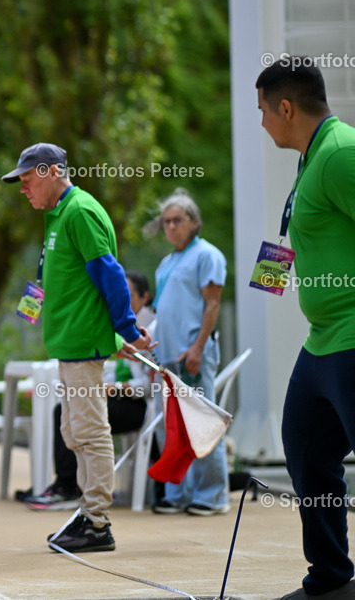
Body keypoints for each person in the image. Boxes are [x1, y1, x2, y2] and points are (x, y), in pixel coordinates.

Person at [3, 142, 153, 554]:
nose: (23, 188)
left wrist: (127, 329)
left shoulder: (80, 211)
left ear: (53, 172)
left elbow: (111, 275)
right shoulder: (58, 215)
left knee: (90, 432)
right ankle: (88, 513)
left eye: (27, 179)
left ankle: (97, 522)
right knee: (74, 431)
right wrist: (120, 337)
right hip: (73, 346)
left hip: (83, 346)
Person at [256, 59, 355, 600]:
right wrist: (268, 276)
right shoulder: (310, 158)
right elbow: (299, 227)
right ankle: (331, 578)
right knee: (305, 448)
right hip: (321, 340)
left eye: (263, 112)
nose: (263, 122)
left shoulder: (340, 153)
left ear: (286, 108)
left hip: (352, 336)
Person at [26, 270, 158, 510]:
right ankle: (72, 489)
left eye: (128, 295)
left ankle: (90, 507)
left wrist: (115, 388)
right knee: (67, 416)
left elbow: (150, 386)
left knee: (89, 428)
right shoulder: (125, 327)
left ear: (145, 297)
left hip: (142, 406)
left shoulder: (146, 330)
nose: (122, 301)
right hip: (119, 393)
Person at [146, 189, 230, 517]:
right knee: (170, 426)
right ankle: (177, 493)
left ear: (194, 222)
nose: (170, 227)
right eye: (166, 222)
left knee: (202, 423)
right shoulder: (167, 261)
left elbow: (212, 304)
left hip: (192, 353)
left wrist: (197, 347)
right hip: (166, 357)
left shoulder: (208, 255)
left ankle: (212, 496)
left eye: (177, 220)